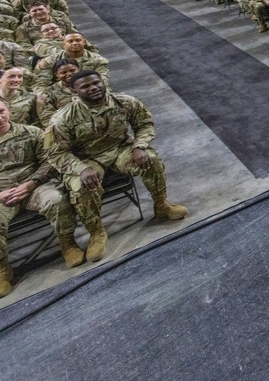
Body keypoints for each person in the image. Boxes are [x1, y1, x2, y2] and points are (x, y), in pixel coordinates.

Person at [45, 72, 187, 263]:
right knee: (80, 186)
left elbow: (144, 124)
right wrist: (81, 169)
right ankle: (96, 232)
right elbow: (56, 153)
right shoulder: (62, 119)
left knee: (151, 159)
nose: (93, 88)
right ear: (74, 90)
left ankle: (161, 205)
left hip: (120, 150)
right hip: (86, 159)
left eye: (96, 83)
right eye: (85, 87)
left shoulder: (124, 102)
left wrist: (139, 146)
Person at [0, 99, 84, 297]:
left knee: (55, 199)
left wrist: (31, 184)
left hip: (33, 186)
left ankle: (68, 244)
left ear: (8, 110)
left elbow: (49, 161)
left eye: (1, 111)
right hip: (2, 195)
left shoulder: (31, 132)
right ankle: (3, 269)